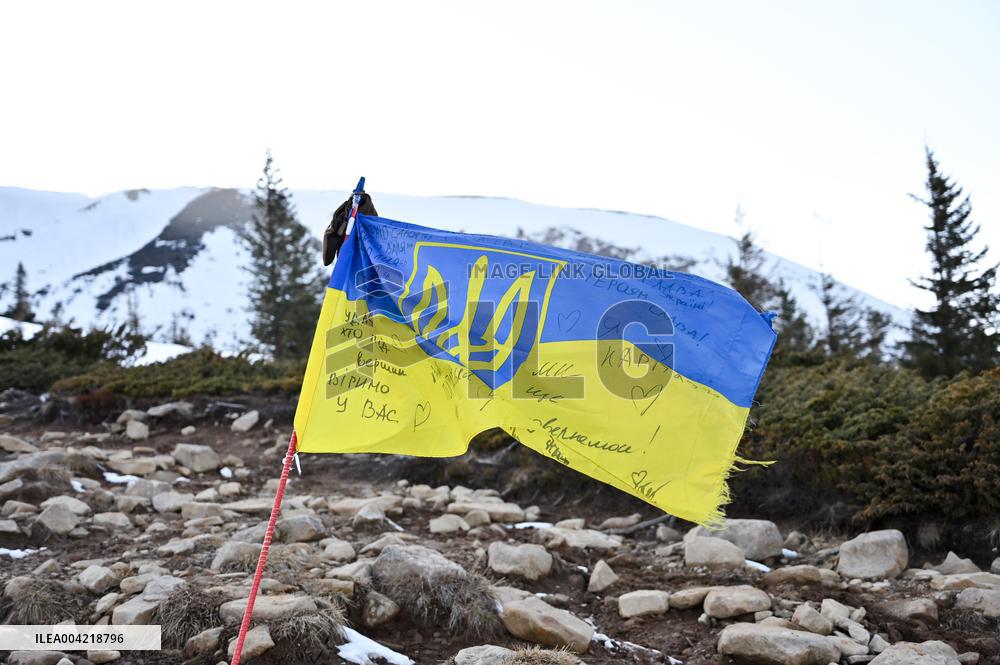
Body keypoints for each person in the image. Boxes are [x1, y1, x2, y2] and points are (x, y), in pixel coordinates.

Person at [322, 192, 378, 265]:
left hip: (346, 262)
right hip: (368, 265)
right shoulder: (374, 219)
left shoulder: (342, 216)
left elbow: (331, 235)